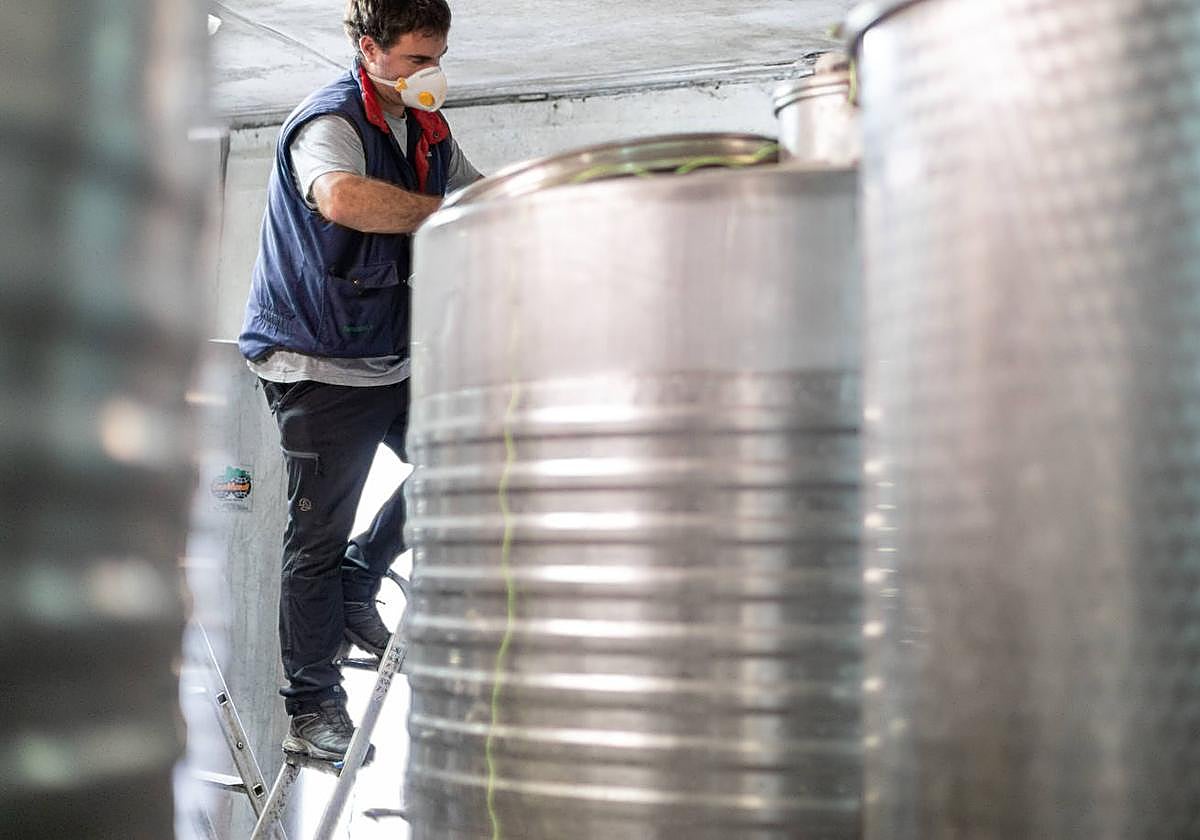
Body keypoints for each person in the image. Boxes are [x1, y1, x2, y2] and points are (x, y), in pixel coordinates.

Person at [237, 0, 481, 760]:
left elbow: (481, 199)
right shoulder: (330, 122)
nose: (430, 73)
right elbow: (341, 198)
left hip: (385, 356)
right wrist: (443, 215)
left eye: (437, 55)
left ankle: (360, 576)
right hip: (316, 361)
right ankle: (313, 709)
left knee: (468, 460)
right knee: (314, 538)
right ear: (370, 50)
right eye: (416, 59)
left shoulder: (427, 130)